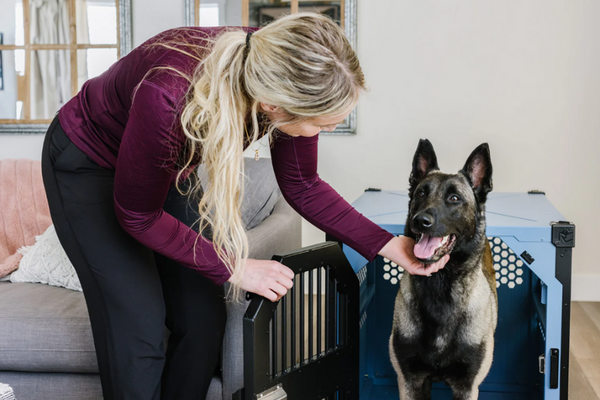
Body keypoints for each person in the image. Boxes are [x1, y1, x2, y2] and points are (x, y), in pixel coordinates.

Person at [41, 12, 449, 400]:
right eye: (323, 124)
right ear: (275, 105)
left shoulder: (277, 66)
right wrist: (235, 266)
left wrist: (389, 246)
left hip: (164, 166)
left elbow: (303, 184)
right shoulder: (169, 95)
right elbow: (137, 213)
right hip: (88, 165)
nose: (329, 130)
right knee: (139, 327)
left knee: (202, 316)